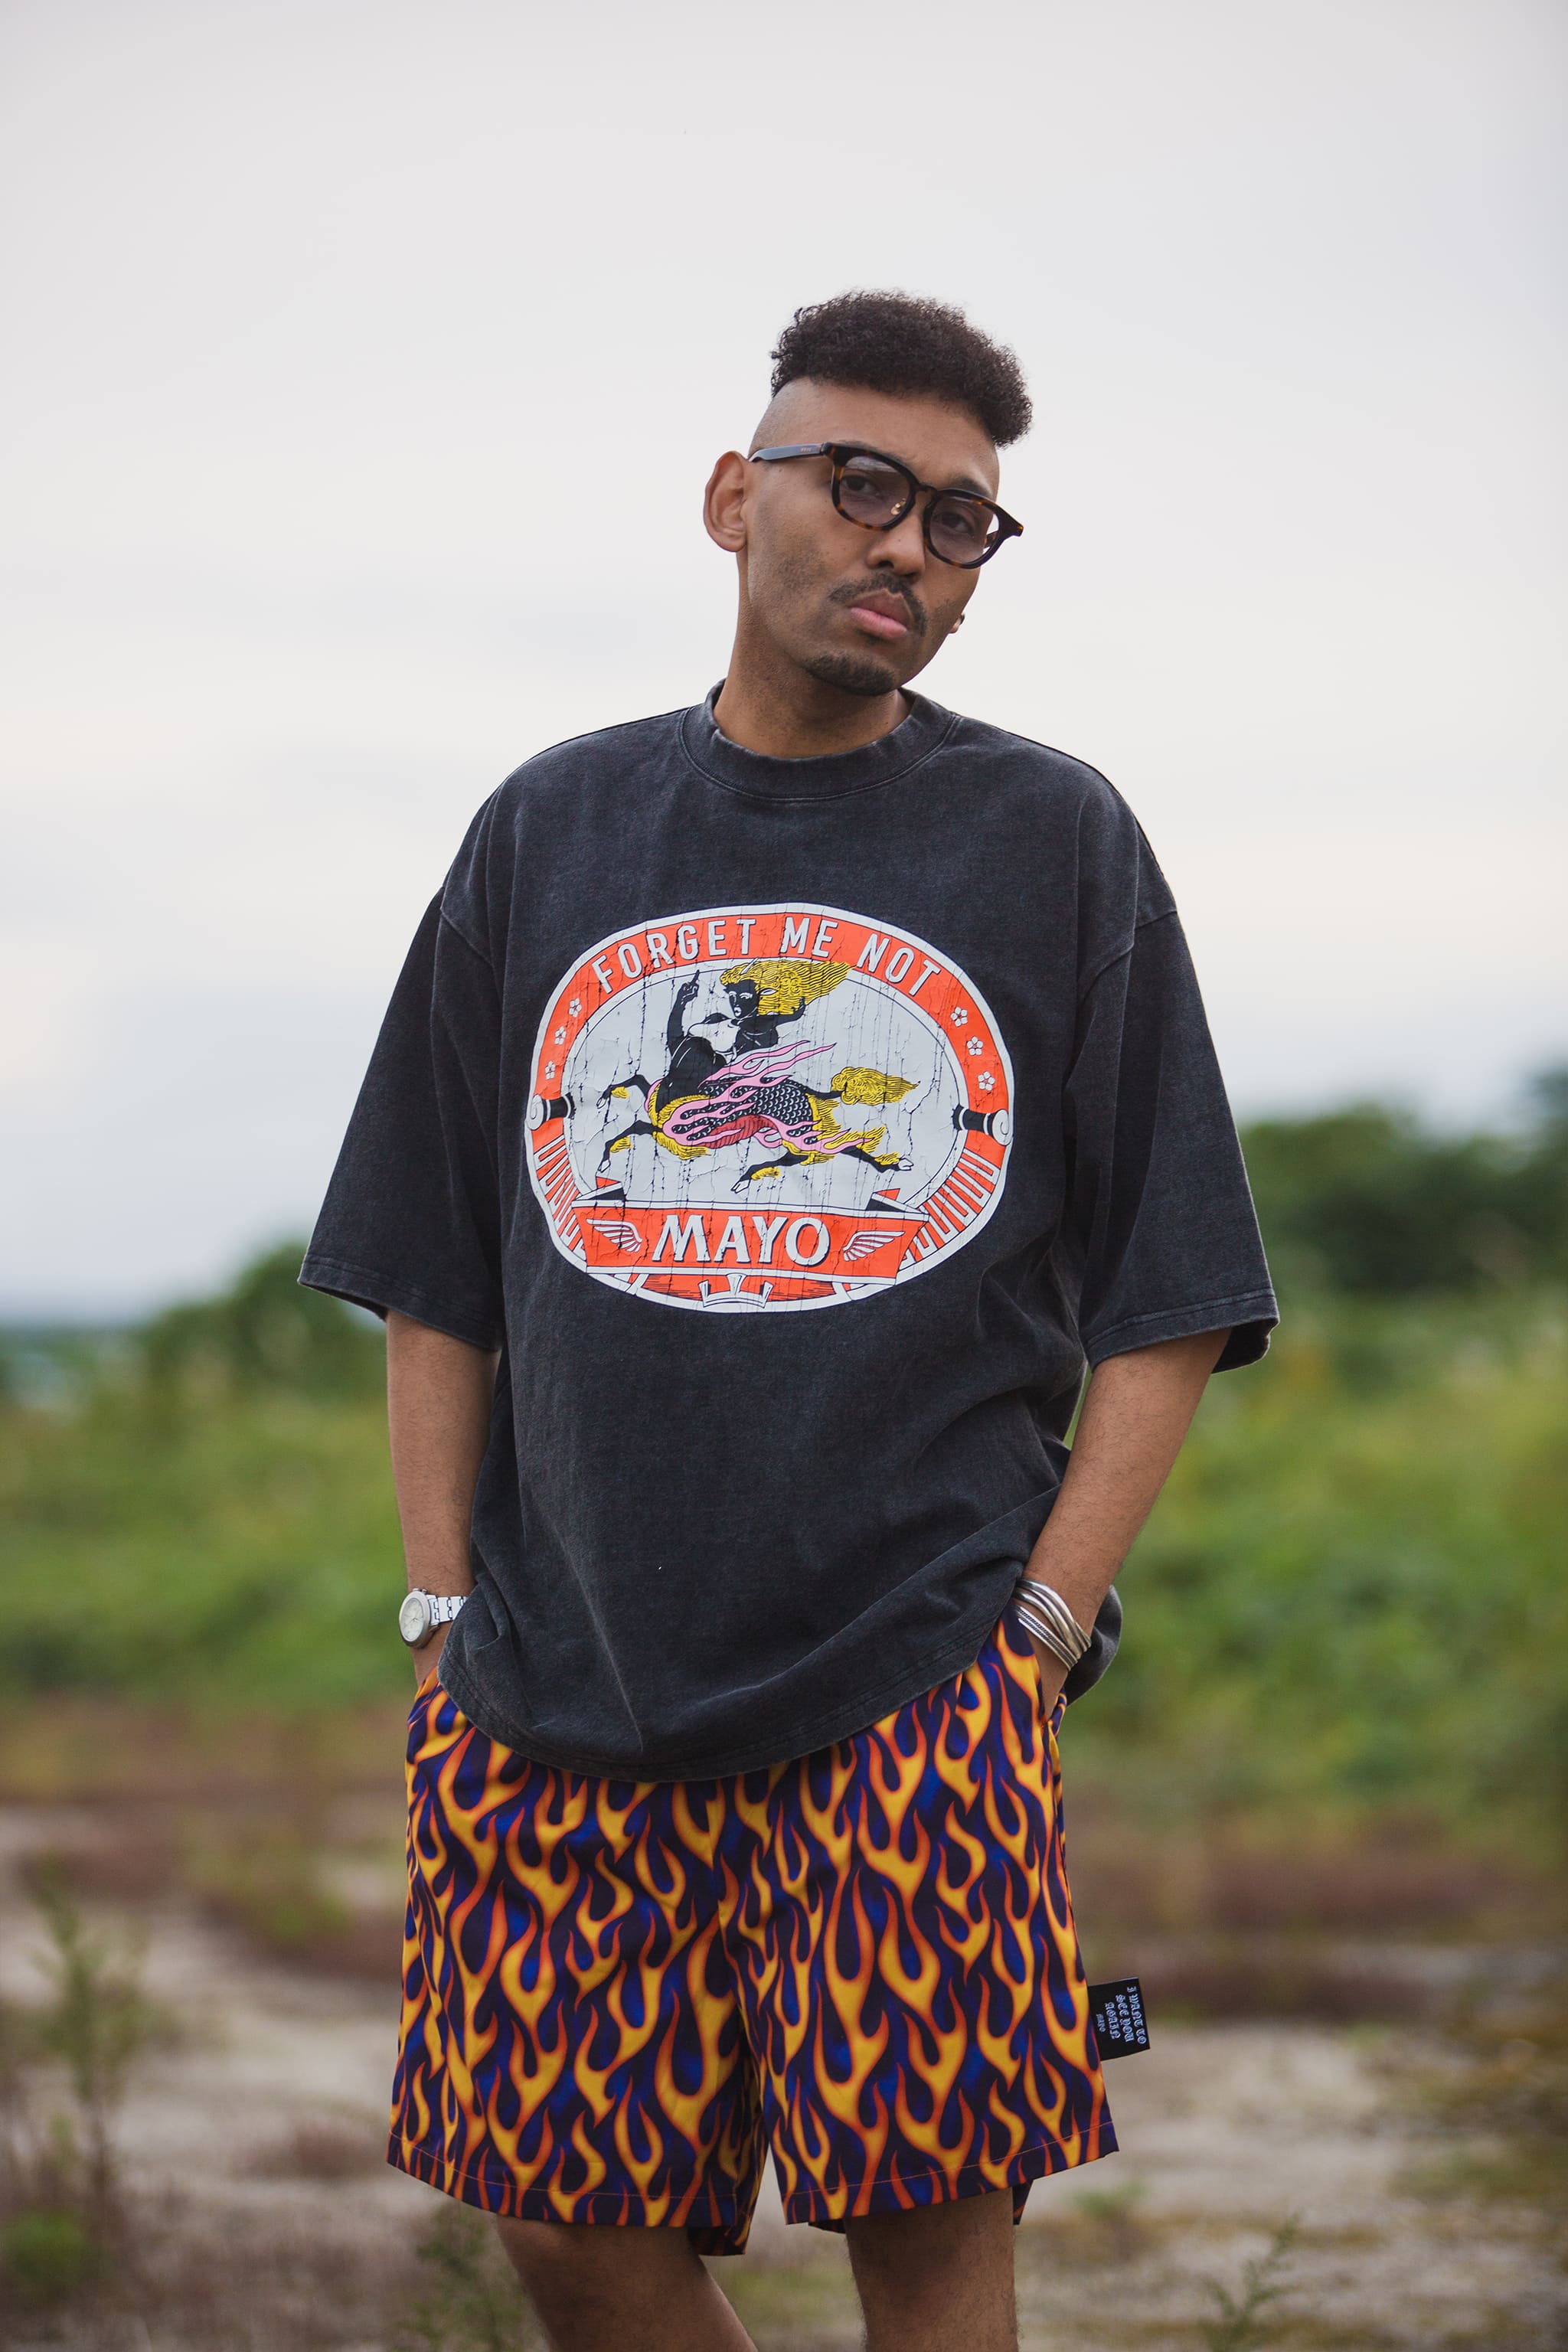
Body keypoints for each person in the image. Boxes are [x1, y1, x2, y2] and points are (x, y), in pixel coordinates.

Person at [300, 289, 1276, 2352]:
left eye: (961, 518)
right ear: (734, 499)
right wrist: (439, 1612)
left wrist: (1036, 1630)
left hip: (918, 1679)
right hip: (554, 1687)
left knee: (929, 2242)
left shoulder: (1053, 838)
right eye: (861, 486)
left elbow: (1173, 1289)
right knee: (559, 2220)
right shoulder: (552, 827)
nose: (908, 544)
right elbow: (435, 1261)